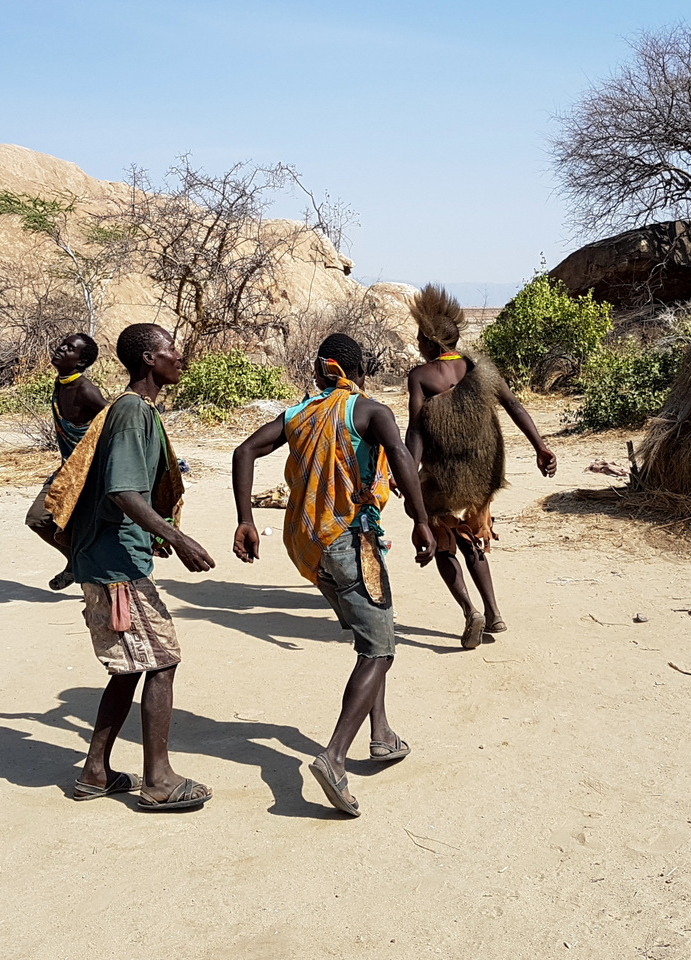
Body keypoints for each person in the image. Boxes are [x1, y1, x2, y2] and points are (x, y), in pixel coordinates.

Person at [231, 333, 436, 817]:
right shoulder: (370, 411)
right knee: (380, 648)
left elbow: (243, 451)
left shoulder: (299, 413)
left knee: (370, 635)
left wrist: (244, 518)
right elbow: (403, 460)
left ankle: (381, 734)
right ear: (353, 368)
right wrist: (422, 520)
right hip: (352, 542)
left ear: (324, 368)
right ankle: (335, 756)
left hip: (309, 545)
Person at [44, 323, 215, 810]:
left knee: (129, 667)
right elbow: (122, 492)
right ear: (148, 360)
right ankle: (158, 781)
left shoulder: (133, 410)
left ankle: (95, 772)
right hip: (116, 564)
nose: (179, 356)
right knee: (161, 661)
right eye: (170, 350)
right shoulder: (132, 412)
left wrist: (155, 533)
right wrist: (175, 537)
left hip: (112, 555)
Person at [404, 284, 557, 648]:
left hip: (442, 477)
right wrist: (541, 447)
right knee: (473, 538)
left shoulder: (421, 377)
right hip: (484, 475)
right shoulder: (481, 369)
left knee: (441, 540)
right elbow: (515, 406)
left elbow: (415, 432)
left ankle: (468, 609)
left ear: (429, 343)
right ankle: (493, 613)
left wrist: (408, 473)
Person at [24, 332, 107, 590]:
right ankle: (76, 560)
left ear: (80, 363)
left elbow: (115, 421)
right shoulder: (60, 384)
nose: (60, 350)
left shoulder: (86, 390)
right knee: (38, 518)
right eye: (62, 345)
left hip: (92, 472)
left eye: (69, 349)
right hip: (68, 469)